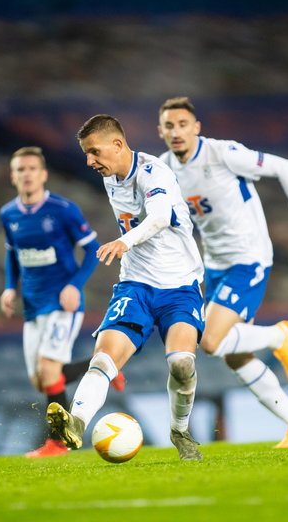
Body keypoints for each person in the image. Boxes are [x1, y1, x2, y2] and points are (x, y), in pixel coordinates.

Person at [157, 96, 288, 448]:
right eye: (169, 126)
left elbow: (285, 167)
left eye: (183, 124)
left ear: (196, 128)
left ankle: (279, 336)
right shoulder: (163, 168)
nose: (177, 132)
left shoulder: (222, 153)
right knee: (235, 355)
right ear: (160, 131)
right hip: (214, 264)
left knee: (209, 341)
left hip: (249, 257)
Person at [46, 115, 206, 460]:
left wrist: (125, 241)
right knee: (103, 359)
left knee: (181, 363)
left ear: (118, 145)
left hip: (180, 286)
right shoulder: (111, 176)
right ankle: (76, 423)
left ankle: (180, 430)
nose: (90, 161)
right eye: (87, 154)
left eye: (94, 152)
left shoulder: (154, 173)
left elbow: (161, 216)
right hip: (135, 285)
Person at [0, 146, 125, 458]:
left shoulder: (63, 209)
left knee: (48, 369)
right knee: (42, 381)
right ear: (13, 176)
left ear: (43, 174)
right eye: (20, 169)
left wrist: (74, 285)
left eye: (32, 168)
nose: (26, 174)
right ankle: (104, 368)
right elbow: (12, 254)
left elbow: (93, 249)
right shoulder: (8, 214)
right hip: (32, 305)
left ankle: (58, 443)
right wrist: (8, 288)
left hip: (62, 304)